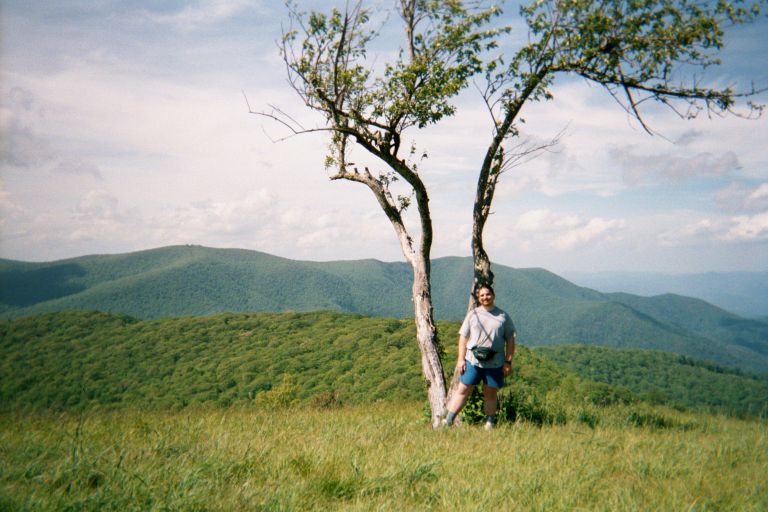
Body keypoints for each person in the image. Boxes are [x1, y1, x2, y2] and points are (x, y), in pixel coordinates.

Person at [443, 284, 516, 430]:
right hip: (472, 360)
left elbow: (511, 340)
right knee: (463, 389)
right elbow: (463, 337)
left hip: (495, 363)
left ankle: (489, 423)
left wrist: (508, 361)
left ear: (493, 295)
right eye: (482, 295)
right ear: (478, 298)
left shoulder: (503, 316)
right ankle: (448, 421)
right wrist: (460, 359)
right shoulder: (473, 314)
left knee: (490, 393)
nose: (485, 297)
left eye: (488, 294)